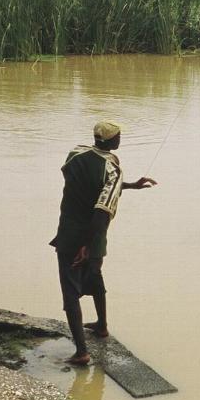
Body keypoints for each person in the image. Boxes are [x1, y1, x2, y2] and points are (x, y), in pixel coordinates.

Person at [50, 121, 157, 366]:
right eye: (118, 137)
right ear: (110, 142)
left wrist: (131, 185)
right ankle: (83, 351)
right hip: (90, 235)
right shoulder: (112, 168)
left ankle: (99, 327)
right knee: (81, 287)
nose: (120, 140)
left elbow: (92, 186)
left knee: (79, 284)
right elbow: (101, 210)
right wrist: (87, 245)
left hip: (68, 230)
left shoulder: (75, 153)